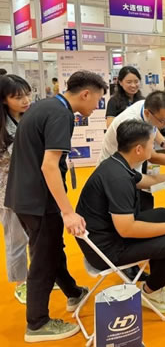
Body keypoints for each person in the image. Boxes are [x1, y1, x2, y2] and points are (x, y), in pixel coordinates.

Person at [5, 71, 107, 342]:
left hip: (23, 196)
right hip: (39, 200)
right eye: (97, 100)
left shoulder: (44, 107)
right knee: (43, 260)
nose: (97, 106)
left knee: (51, 249)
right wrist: (68, 211)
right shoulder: (61, 114)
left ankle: (73, 292)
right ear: (85, 94)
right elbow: (49, 166)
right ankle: (37, 324)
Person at [76, 120, 165, 313]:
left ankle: (159, 275)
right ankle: (150, 291)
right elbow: (127, 229)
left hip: (104, 236)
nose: (154, 148)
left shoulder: (117, 163)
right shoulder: (118, 179)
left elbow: (147, 180)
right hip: (107, 250)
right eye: (151, 144)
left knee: (163, 214)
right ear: (139, 149)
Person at [99, 90, 165, 194]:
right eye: (163, 120)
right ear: (147, 113)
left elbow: (153, 127)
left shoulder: (147, 107)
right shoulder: (132, 124)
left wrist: (164, 143)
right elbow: (153, 157)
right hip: (114, 175)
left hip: (127, 169)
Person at [0, 75, 31, 304]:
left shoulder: (28, 117)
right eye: (18, 97)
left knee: (38, 236)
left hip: (31, 187)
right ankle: (22, 283)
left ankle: (39, 276)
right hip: (7, 191)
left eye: (27, 94)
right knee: (16, 238)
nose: (25, 100)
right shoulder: (2, 127)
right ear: (4, 100)